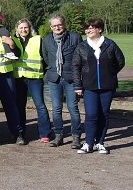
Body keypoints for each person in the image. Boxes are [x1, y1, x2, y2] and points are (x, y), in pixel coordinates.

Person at [72, 19, 125, 154]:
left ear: (99, 29)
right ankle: (88, 143)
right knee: (91, 115)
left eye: (92, 28)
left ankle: (100, 142)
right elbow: (76, 67)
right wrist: (78, 85)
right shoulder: (82, 47)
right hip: (89, 87)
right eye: (87, 28)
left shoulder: (110, 44)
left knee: (104, 115)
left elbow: (120, 62)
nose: (88, 30)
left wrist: (109, 73)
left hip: (108, 87)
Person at [42, 14, 83, 148]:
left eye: (59, 25)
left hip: (71, 78)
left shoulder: (75, 37)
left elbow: (81, 57)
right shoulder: (46, 40)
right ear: (51, 27)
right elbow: (46, 58)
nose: (57, 27)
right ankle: (58, 135)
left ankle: (76, 137)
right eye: (54, 26)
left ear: (64, 24)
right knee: (56, 109)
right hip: (54, 78)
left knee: (73, 108)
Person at [12, 19, 51, 143]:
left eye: (25, 27)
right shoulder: (13, 40)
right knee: (19, 107)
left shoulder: (38, 40)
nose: (23, 30)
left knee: (40, 105)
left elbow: (45, 58)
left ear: (30, 28)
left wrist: (44, 74)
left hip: (35, 77)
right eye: (21, 28)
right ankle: (19, 134)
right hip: (19, 77)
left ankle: (44, 133)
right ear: (17, 29)